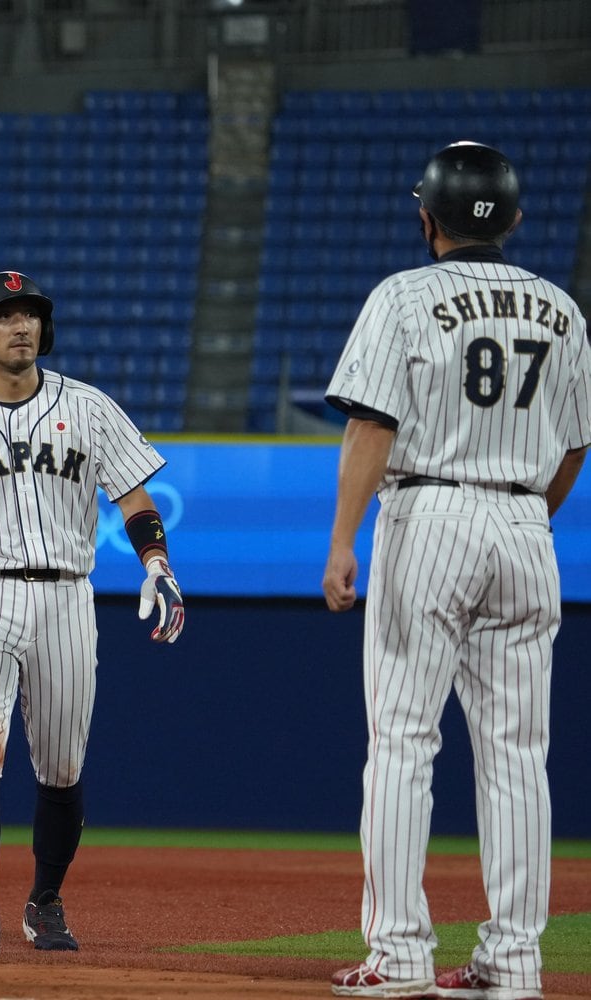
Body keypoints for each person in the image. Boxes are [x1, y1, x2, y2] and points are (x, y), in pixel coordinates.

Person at [322, 141, 589, 1000]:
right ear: (513, 218)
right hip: (526, 522)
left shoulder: (403, 296)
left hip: (430, 515)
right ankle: (513, 961)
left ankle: (399, 954)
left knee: (403, 743)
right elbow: (576, 445)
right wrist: (525, 518)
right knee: (518, 756)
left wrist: (343, 541)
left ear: (426, 217)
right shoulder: (562, 309)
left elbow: (371, 427)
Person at [0, 270, 186, 957]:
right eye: (5, 315)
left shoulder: (88, 408)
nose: (21, 324)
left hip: (66, 597)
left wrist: (157, 564)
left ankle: (46, 901)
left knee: (61, 766)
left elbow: (135, 497)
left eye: (29, 313)